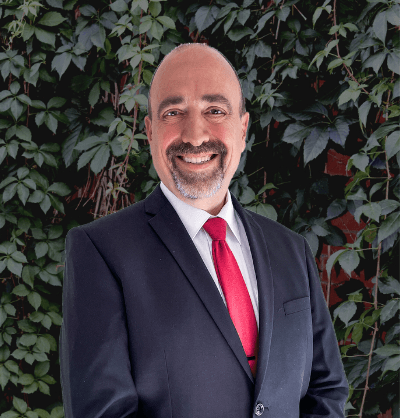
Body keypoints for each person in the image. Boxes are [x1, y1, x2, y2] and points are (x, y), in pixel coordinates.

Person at [59, 43, 349, 417]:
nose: (195, 135)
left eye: (215, 110)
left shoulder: (291, 249)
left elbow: (325, 391)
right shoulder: (100, 252)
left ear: (243, 129)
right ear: (149, 131)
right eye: (174, 112)